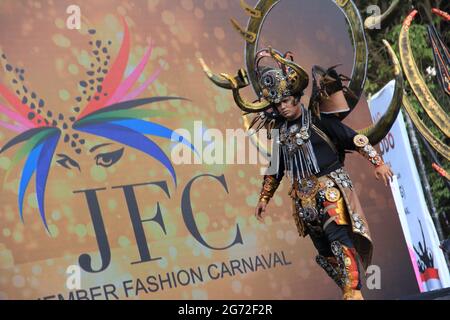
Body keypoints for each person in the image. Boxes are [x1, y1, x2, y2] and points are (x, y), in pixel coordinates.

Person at [251, 49, 393, 300]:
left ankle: (353, 292)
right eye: (278, 104)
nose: (282, 107)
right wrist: (264, 199)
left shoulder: (319, 121)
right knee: (325, 251)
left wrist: (377, 163)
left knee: (339, 239)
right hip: (303, 202)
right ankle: (348, 290)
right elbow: (275, 170)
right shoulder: (280, 134)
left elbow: (356, 139)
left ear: (296, 98)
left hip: (331, 190)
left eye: (286, 101)